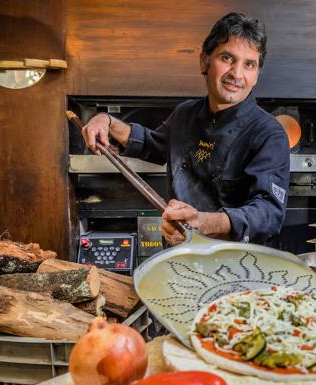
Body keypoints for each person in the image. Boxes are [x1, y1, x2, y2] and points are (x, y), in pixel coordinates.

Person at [81, 12, 290, 247]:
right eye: (227, 58)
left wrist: (201, 223)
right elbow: (151, 144)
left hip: (237, 268)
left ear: (256, 76)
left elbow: (269, 214)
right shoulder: (185, 114)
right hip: (179, 256)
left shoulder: (268, 133)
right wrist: (107, 121)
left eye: (249, 64)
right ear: (204, 61)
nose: (237, 74)